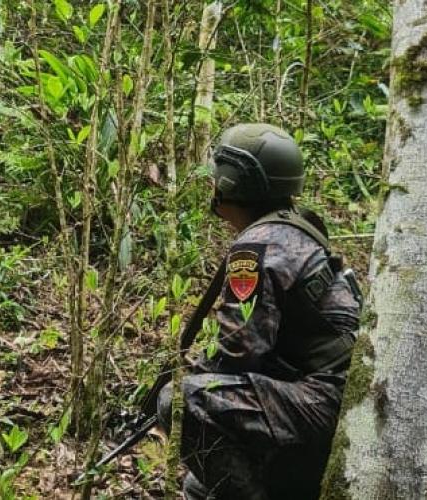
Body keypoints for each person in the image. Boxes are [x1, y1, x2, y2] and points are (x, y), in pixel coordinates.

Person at [157, 123, 361, 500]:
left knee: (180, 402)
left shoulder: (254, 248)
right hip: (336, 400)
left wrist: (190, 379)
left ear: (232, 182)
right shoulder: (299, 228)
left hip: (321, 405)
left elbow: (239, 352)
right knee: (198, 487)